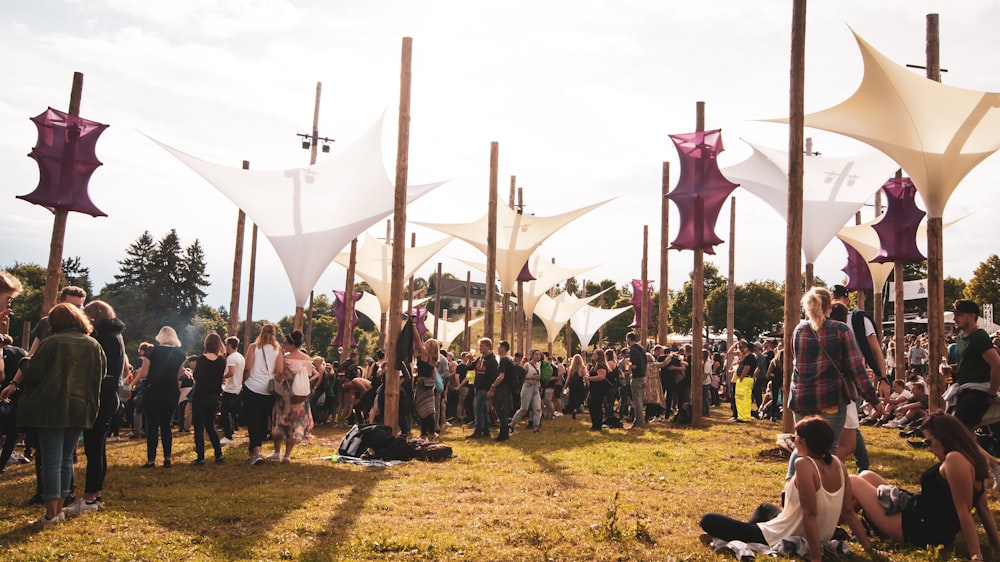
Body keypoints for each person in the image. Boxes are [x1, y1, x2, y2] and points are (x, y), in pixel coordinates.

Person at [700, 416, 871, 560]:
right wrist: (868, 547)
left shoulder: (804, 464)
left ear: (803, 442)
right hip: (817, 531)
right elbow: (848, 511)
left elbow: (810, 515)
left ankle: (739, 537)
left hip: (788, 534)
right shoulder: (838, 463)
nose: (793, 441)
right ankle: (742, 535)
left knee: (708, 519)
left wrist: (816, 557)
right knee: (765, 507)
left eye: (795, 437)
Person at [851, 413, 1000, 560]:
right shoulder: (976, 459)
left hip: (918, 528)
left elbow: (964, 512)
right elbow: (984, 509)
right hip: (917, 510)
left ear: (944, 437)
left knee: (853, 481)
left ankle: (834, 527)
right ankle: (838, 524)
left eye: (928, 442)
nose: (928, 448)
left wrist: (976, 555)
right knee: (866, 475)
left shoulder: (955, 460)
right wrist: (997, 544)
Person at [18, 303, 105, 525]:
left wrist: (24, 361)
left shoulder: (52, 342)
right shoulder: (94, 345)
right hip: (81, 409)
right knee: (67, 459)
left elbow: (33, 373)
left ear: (54, 323)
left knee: (51, 461)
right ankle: (61, 509)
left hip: (52, 409)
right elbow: (101, 374)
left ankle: (51, 513)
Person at [787, 287, 876, 477]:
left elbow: (796, 360)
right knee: (828, 449)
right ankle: (820, 490)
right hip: (831, 398)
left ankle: (791, 486)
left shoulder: (799, 329)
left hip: (802, 398)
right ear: (830, 306)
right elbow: (856, 368)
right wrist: (873, 398)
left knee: (801, 446)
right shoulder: (840, 329)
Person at [68, 301, 126, 515]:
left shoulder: (105, 338)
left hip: (101, 396)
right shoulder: (114, 336)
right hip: (108, 396)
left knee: (94, 448)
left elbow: (101, 370)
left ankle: (90, 496)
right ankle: (95, 493)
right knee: (97, 448)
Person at [135, 326, 186, 468]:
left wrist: (133, 383)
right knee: (166, 425)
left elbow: (144, 373)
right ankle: (167, 458)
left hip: (154, 391)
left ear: (160, 336)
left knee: (152, 426)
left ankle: (151, 460)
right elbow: (178, 375)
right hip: (170, 391)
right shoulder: (181, 354)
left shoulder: (151, 351)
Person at [267, 330, 313, 462]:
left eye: (286, 343)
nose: (284, 345)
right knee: (295, 423)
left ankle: (277, 451)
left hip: (287, 394)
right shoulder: (306, 358)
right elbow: (308, 374)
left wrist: (280, 354)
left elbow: (279, 373)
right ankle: (287, 455)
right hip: (300, 394)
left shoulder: (285, 358)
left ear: (291, 344)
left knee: (280, 421)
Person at [242, 324, 280, 465]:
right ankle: (252, 452)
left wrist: (243, 380)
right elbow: (280, 371)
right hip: (268, 390)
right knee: (263, 421)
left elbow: (247, 367)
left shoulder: (254, 347)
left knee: (253, 421)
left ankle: (257, 453)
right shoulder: (278, 349)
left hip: (252, 387)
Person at [191, 333, 226, 465]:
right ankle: (218, 454)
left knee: (199, 428)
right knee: (210, 426)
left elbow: (197, 376)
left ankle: (201, 457)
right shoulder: (222, 360)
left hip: (200, 395)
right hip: (214, 396)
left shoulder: (202, 360)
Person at [413, 337, 441, 441]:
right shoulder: (432, 358)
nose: (425, 342)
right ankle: (426, 433)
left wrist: (414, 325)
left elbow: (418, 342)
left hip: (422, 386)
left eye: (428, 342)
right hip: (428, 386)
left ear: (431, 346)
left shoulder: (425, 354)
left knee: (424, 409)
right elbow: (432, 373)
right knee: (427, 409)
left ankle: (429, 433)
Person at [219, 336, 244, 446]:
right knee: (232, 412)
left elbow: (231, 372)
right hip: (238, 387)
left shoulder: (231, 358)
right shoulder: (240, 357)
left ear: (229, 345)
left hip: (230, 388)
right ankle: (232, 431)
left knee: (224, 412)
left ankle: (228, 436)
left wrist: (220, 377)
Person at [510, 349, 543, 432]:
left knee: (537, 408)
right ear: (532, 355)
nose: (538, 356)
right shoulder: (527, 365)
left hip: (536, 387)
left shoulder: (539, 365)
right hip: (527, 386)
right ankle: (512, 423)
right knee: (524, 408)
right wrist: (532, 377)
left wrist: (538, 381)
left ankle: (536, 426)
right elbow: (522, 378)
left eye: (539, 355)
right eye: (536, 354)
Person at [490, 341, 515, 442]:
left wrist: (493, 386)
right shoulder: (510, 360)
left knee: (501, 411)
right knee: (502, 411)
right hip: (507, 388)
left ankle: (504, 434)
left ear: (503, 348)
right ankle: (504, 433)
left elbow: (501, 377)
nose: (497, 348)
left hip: (502, 389)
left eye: (499, 346)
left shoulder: (504, 361)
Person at [586, 349, 611, 431]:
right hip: (594, 389)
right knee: (591, 405)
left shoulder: (601, 365)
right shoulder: (595, 365)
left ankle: (597, 425)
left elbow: (601, 376)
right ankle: (594, 424)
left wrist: (589, 378)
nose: (592, 356)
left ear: (599, 356)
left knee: (596, 406)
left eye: (594, 354)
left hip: (598, 389)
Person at [626, 332, 648, 427]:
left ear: (629, 339)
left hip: (637, 377)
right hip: (643, 376)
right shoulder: (642, 349)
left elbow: (634, 366)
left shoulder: (633, 350)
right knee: (640, 400)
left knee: (636, 400)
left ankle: (638, 420)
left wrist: (628, 363)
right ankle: (640, 418)